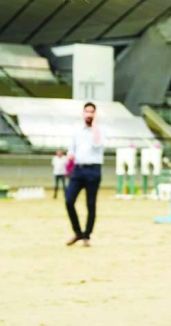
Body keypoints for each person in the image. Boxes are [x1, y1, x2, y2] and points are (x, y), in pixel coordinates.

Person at [65, 102, 104, 247]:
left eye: (92, 112)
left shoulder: (99, 131)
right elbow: (71, 148)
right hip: (78, 169)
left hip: (93, 170)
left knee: (90, 204)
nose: (89, 114)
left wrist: (95, 125)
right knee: (69, 201)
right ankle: (77, 232)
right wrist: (70, 155)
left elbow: (97, 144)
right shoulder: (77, 131)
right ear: (83, 113)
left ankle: (87, 235)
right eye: (87, 112)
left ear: (95, 114)